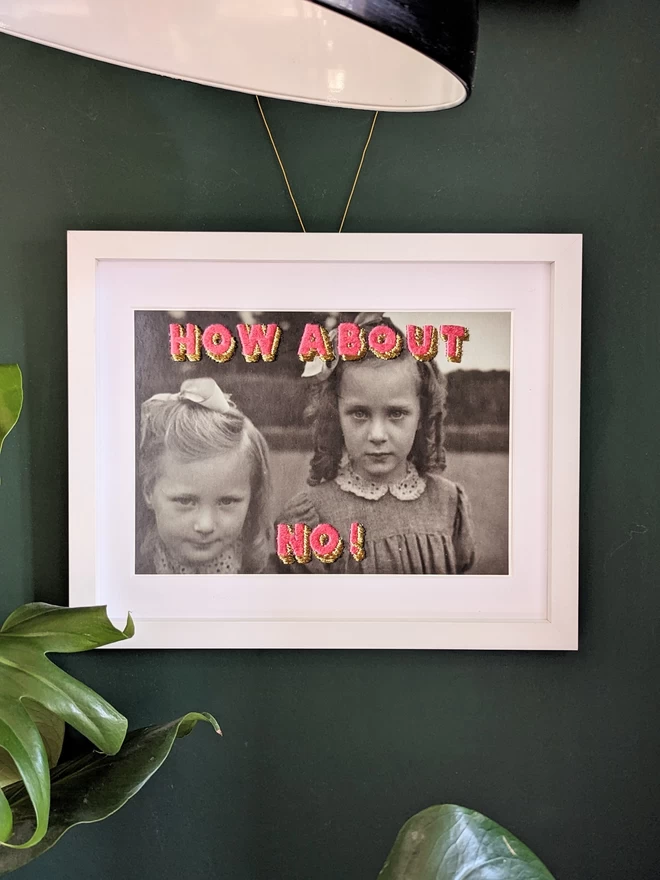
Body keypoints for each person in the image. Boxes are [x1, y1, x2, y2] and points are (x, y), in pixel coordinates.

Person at [277, 318, 476, 575]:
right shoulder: (313, 517)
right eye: (359, 413)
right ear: (336, 415)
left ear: (421, 415)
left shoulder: (448, 502)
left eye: (396, 414)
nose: (377, 434)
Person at [137, 377, 272, 574]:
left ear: (251, 497)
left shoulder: (264, 576)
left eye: (227, 501)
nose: (205, 525)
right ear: (149, 490)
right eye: (185, 501)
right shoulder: (127, 573)